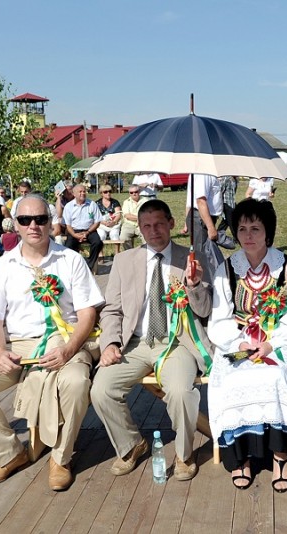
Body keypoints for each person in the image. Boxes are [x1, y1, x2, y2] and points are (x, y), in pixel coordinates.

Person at [0, 194, 104, 491]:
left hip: (65, 337)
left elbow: (88, 313)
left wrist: (68, 349)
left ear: (51, 223)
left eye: (41, 219)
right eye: (25, 220)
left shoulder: (70, 259)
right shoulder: (4, 265)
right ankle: (10, 453)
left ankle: (61, 458)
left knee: (75, 382)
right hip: (20, 344)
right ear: (16, 226)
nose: (33, 225)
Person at [91, 199, 211, 482]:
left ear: (171, 223)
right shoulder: (124, 260)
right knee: (101, 390)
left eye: (159, 223)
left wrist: (193, 286)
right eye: (147, 225)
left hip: (177, 342)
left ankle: (185, 454)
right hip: (135, 343)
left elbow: (204, 311)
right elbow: (112, 309)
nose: (153, 230)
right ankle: (132, 444)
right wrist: (109, 343)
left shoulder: (191, 258)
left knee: (181, 392)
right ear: (140, 228)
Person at [208, 199, 287, 492]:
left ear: (268, 232)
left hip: (281, 342)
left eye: (255, 228)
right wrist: (241, 341)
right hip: (238, 342)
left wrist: (270, 343)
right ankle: (241, 458)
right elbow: (220, 319)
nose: (248, 235)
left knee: (273, 376)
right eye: (241, 229)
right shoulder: (226, 269)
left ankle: (280, 456)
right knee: (233, 378)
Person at [62, 184, 102, 271]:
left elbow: (97, 222)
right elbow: (67, 225)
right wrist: (75, 235)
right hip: (74, 231)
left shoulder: (92, 204)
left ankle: (89, 265)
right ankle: (72, 267)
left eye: (84, 191)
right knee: (68, 247)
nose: (83, 193)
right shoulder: (69, 206)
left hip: (90, 230)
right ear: (74, 194)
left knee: (98, 243)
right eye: (80, 192)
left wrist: (87, 232)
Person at [120, 185, 144, 250]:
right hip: (129, 224)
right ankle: (130, 254)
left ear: (139, 192)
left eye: (135, 192)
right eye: (131, 192)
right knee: (123, 237)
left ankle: (147, 253)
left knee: (147, 237)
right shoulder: (126, 202)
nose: (134, 194)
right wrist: (140, 218)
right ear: (129, 193)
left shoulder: (146, 201)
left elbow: (148, 214)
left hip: (143, 224)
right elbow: (127, 215)